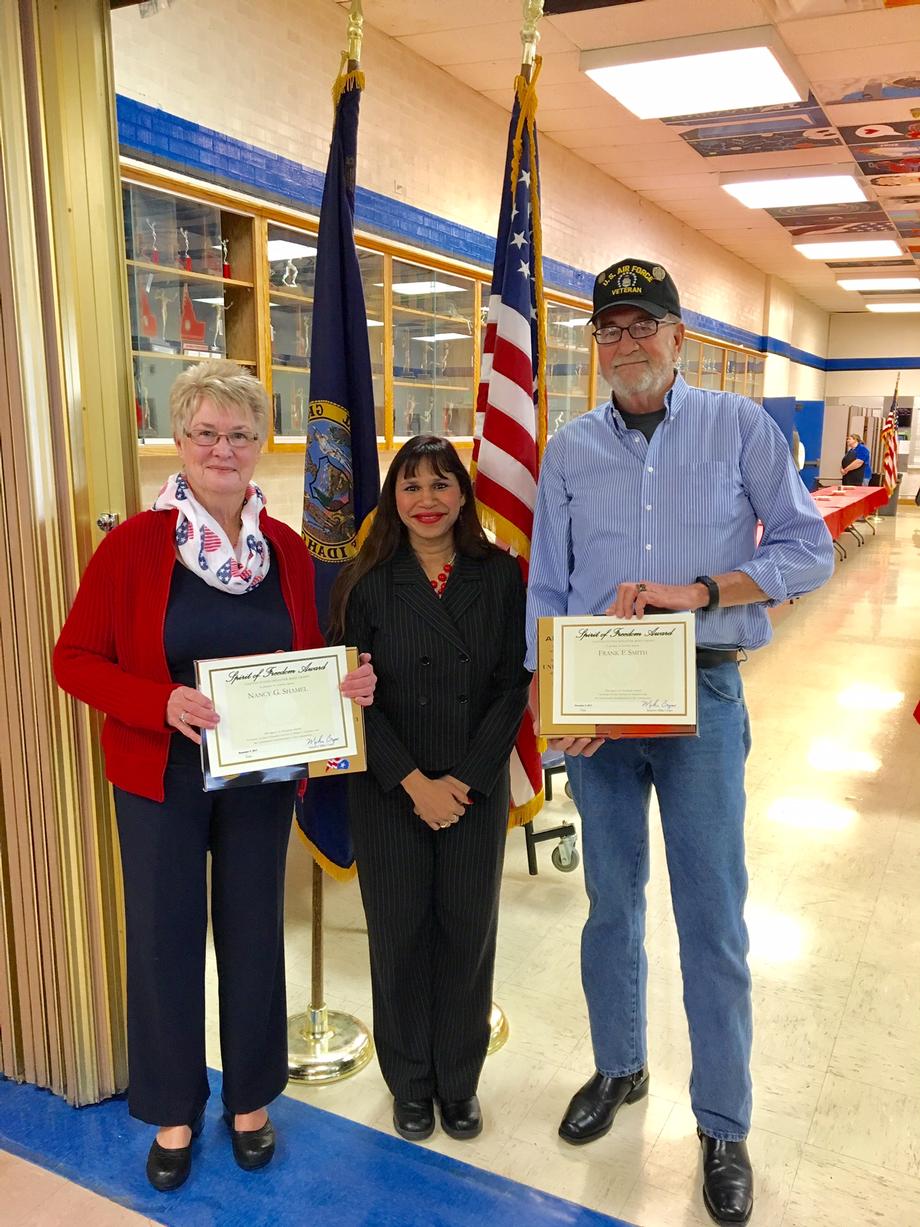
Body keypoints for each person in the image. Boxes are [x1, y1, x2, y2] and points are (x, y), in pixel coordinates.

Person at [525, 259, 835, 1226]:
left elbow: (807, 548)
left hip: (701, 690)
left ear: (677, 337)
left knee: (712, 913)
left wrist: (699, 591)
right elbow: (546, 583)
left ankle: (723, 1121)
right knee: (610, 904)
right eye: (608, 330)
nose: (625, 344)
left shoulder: (739, 428)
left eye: (642, 326)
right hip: (599, 708)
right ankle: (619, 1065)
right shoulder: (568, 449)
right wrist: (548, 701)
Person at [53, 360, 376, 1191]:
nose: (223, 449)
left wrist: (343, 686)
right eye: (206, 432)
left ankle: (251, 1100)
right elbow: (73, 659)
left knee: (253, 929)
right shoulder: (131, 545)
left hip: (257, 781)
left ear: (260, 442)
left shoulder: (291, 553)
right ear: (179, 439)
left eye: (239, 434)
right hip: (157, 775)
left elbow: (306, 659)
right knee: (162, 940)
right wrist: (158, 701)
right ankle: (172, 1108)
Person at [328, 435, 530, 1145]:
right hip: (392, 790)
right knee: (400, 936)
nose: (427, 500)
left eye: (442, 484)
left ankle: (459, 1082)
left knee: (468, 935)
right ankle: (409, 1083)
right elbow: (351, 698)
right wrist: (415, 782)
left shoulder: (500, 576)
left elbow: (513, 685)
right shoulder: (364, 579)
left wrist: (465, 780)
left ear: (464, 496)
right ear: (393, 498)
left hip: (472, 790)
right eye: (411, 486)